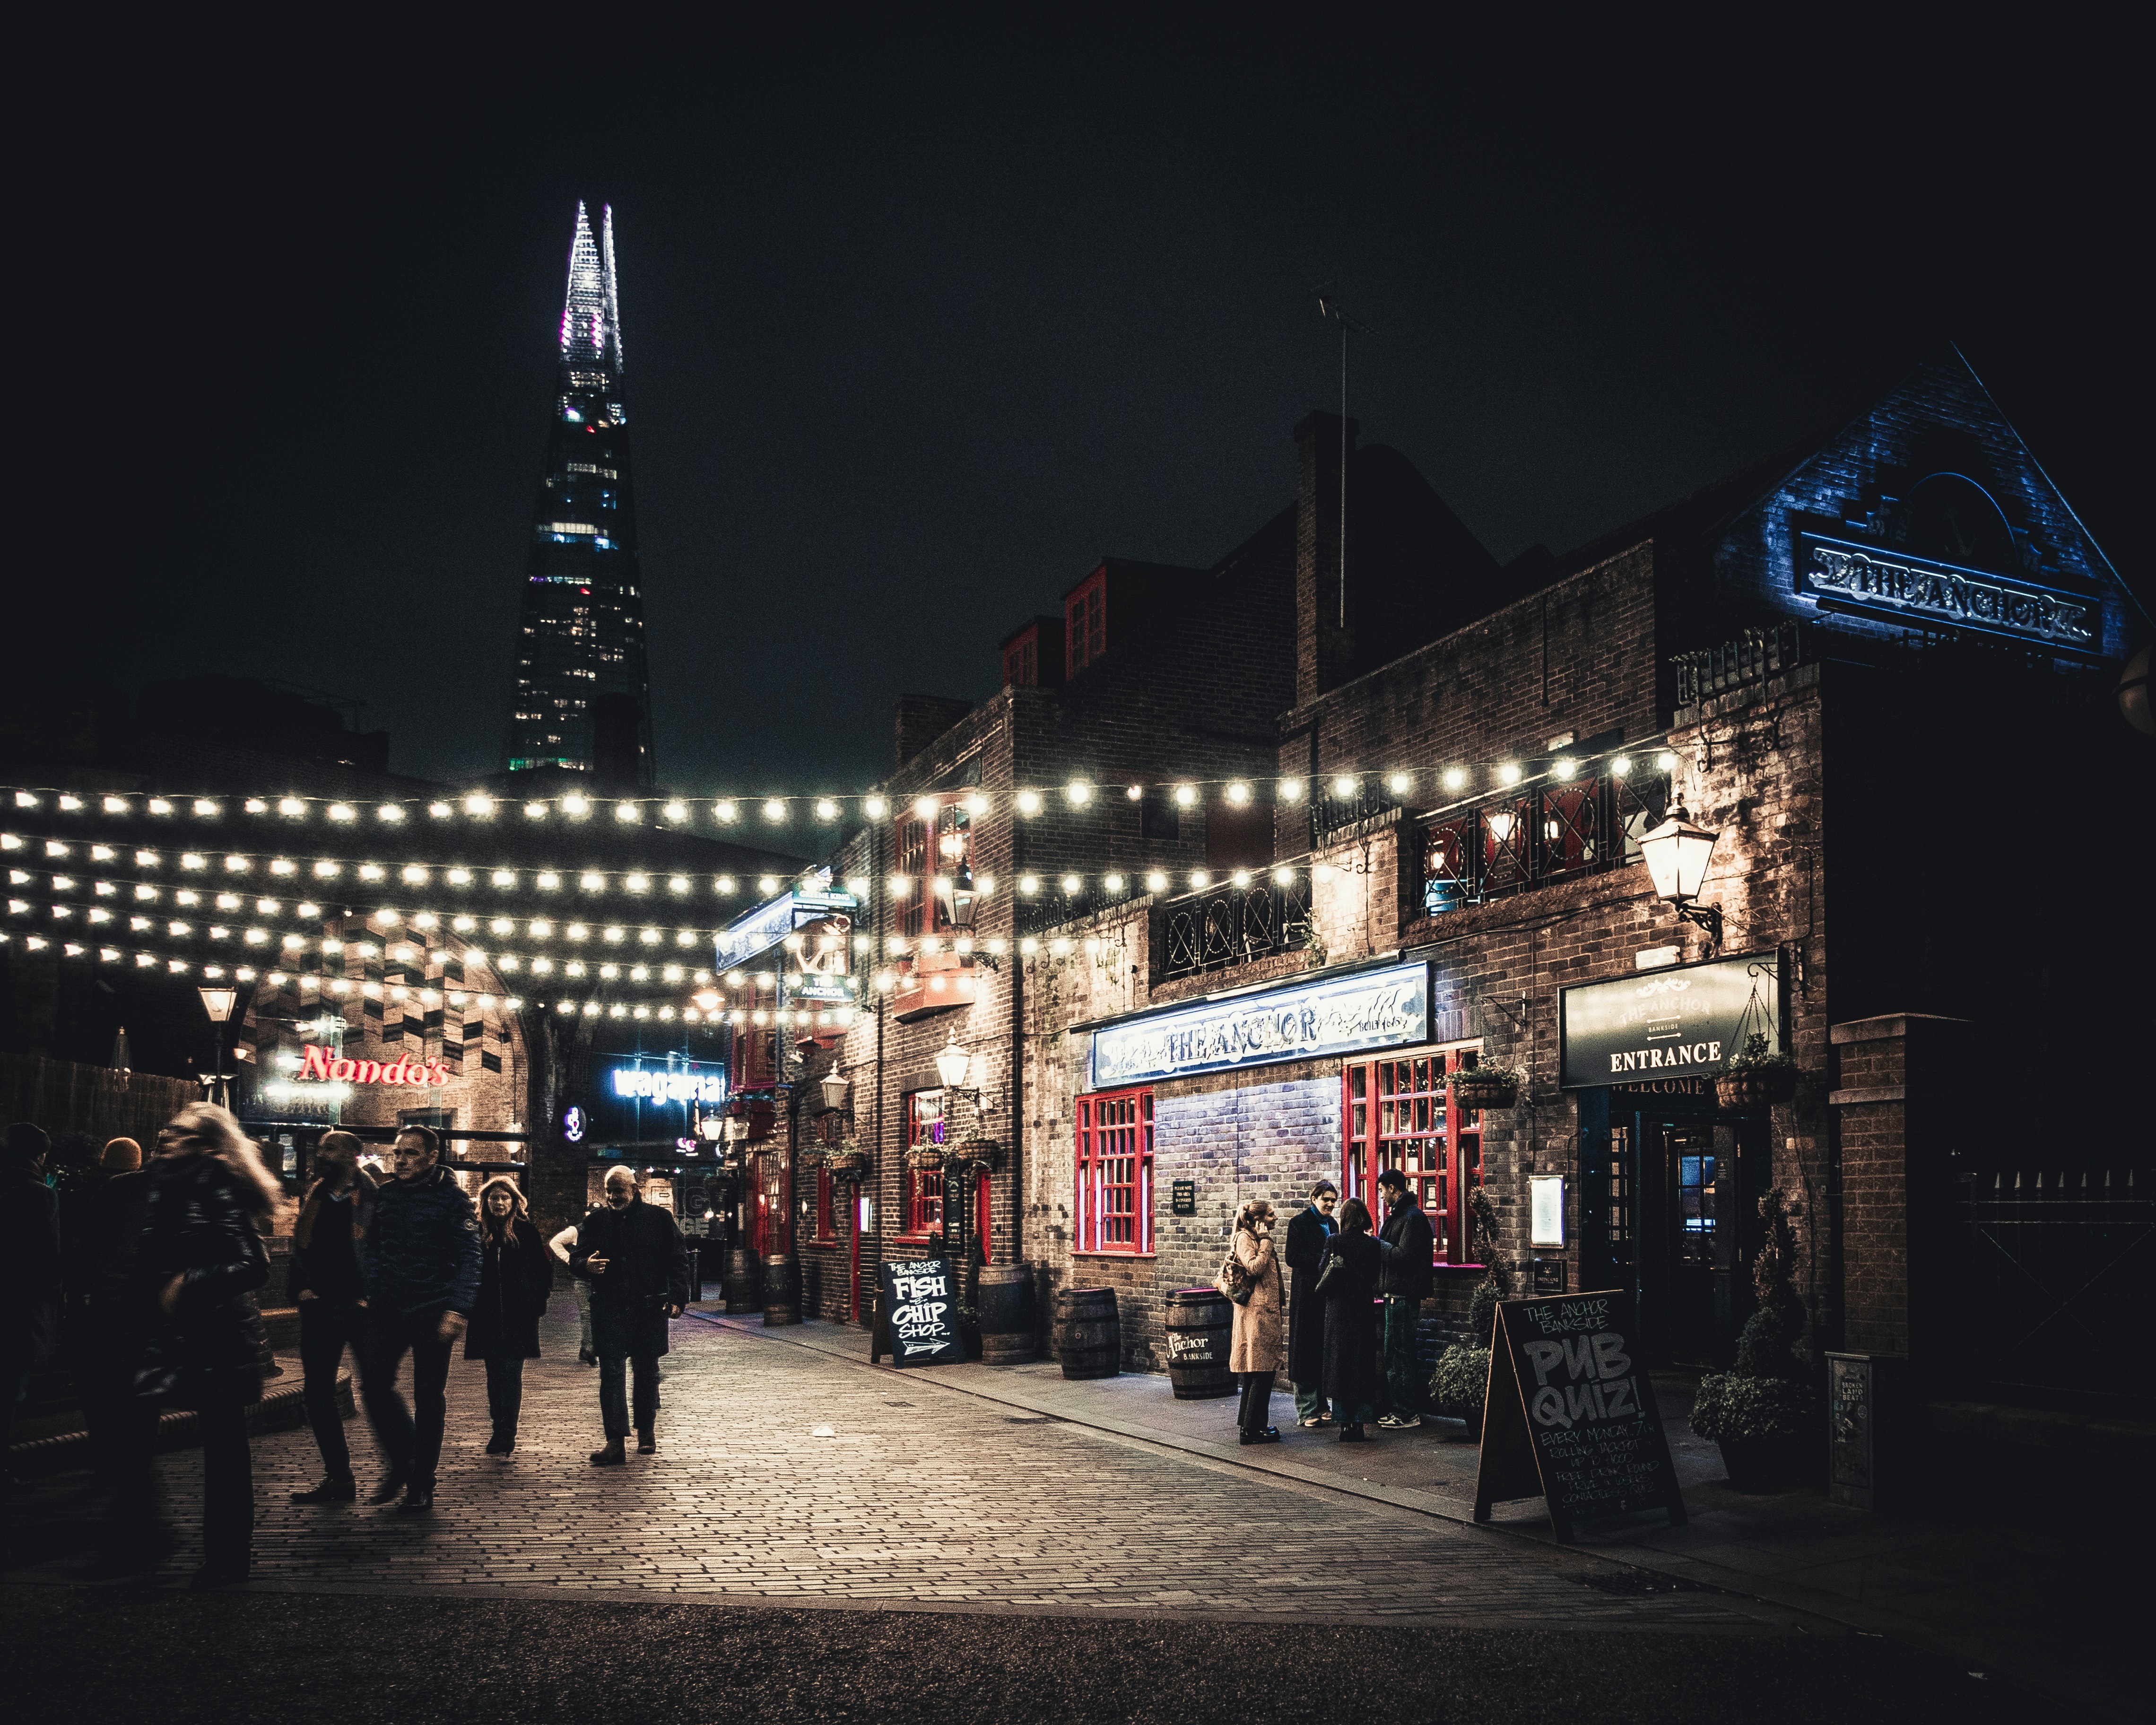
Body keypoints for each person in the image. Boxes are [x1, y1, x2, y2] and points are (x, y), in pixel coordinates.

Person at [126, 1103, 281, 1586]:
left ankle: (227, 1558)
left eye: (179, 1130)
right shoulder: (163, 1182)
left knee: (224, 1449)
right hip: (167, 1335)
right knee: (129, 1430)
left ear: (206, 1141)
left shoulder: (216, 1181)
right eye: (167, 1127)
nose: (166, 1135)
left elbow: (254, 1264)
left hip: (215, 1336)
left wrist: (187, 1285)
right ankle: (140, 1539)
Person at [359, 1125, 479, 1514]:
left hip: (434, 1311)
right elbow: (373, 1247)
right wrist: (374, 1287)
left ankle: (421, 1483)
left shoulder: (453, 1201)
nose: (401, 1161)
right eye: (397, 1154)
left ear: (431, 1157)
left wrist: (457, 1309)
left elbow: (470, 1259)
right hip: (389, 1308)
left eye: (411, 1154)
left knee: (429, 1399)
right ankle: (405, 1458)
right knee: (375, 1386)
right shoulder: (386, 1196)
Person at [571, 1166, 687, 1466]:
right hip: (608, 1308)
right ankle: (615, 1441)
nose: (611, 1197)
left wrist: (677, 1297)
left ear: (633, 1189)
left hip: (647, 1308)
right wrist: (586, 1266)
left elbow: (677, 1260)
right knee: (611, 1374)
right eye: (608, 1191)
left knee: (647, 1371)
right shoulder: (595, 1221)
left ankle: (646, 1431)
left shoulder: (659, 1219)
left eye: (618, 1191)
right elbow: (576, 1259)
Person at [287, 1131, 375, 1503]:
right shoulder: (319, 1191)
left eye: (331, 1148)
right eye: (322, 1148)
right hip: (320, 1307)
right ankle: (339, 1477)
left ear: (354, 1155)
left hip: (360, 1307)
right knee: (317, 1394)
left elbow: (380, 1247)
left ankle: (408, 1471)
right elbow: (300, 1243)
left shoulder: (373, 1195)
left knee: (379, 1390)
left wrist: (370, 1296)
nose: (323, 1154)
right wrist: (304, 1291)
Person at [68, 1138, 152, 1491]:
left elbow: (80, 1245)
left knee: (95, 1384)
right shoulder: (149, 1194)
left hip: (97, 1301)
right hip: (138, 1304)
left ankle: (106, 1460)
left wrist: (79, 1291)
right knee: (138, 1389)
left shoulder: (86, 1193)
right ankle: (137, 1464)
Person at [467, 1177, 551, 1455]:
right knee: (494, 1374)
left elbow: (543, 1272)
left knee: (511, 1373)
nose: (500, 1203)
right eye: (494, 1199)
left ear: (514, 1201)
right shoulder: (477, 1232)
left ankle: (506, 1432)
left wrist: (536, 1304)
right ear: (486, 1203)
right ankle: (497, 1425)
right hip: (487, 1317)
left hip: (519, 1318)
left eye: (505, 1198)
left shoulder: (526, 1232)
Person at [2, 1123, 62, 1460]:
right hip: (17, 1307)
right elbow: (46, 1258)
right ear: (41, 1155)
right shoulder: (40, 1194)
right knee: (10, 1391)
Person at [1374, 1167, 1436, 1430]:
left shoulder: (1411, 1218)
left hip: (1402, 1297)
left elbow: (1404, 1256)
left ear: (1392, 1188)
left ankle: (1407, 1413)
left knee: (1401, 1355)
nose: (1380, 1196)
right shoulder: (1404, 1215)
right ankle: (1400, 1409)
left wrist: (1377, 1244)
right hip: (1395, 1296)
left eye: (1381, 1191)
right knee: (1395, 1355)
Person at [1319, 1195, 1383, 1442]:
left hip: (1338, 1310)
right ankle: (1361, 1423)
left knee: (1340, 1365)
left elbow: (1321, 1272)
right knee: (1362, 1365)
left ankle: (1344, 1422)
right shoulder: (1373, 1245)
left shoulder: (1334, 1241)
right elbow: (1376, 1277)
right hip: (1363, 1310)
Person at [1227, 1199, 1285, 1445]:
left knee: (1259, 1370)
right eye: (1271, 1216)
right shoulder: (1246, 1239)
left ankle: (1251, 1424)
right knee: (1260, 1371)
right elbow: (1254, 1268)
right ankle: (1252, 1430)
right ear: (1258, 1221)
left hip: (1261, 1312)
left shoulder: (1253, 1238)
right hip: (1256, 1314)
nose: (1275, 1219)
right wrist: (1266, 1242)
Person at [1284, 1179, 1338, 1427]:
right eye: (1326, 1199)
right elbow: (1292, 1258)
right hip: (1306, 1296)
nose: (1330, 1204)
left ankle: (1322, 1405)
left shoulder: (1333, 1224)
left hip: (1326, 1295)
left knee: (1321, 1349)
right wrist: (1324, 1258)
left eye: (1333, 1200)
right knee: (1304, 1350)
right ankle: (1306, 1410)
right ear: (1314, 1198)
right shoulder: (1299, 1223)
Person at [550, 1220, 596, 1365]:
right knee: (587, 1313)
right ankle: (590, 1349)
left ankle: (585, 1347)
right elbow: (555, 1242)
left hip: (601, 1279)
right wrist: (570, 1260)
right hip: (582, 1278)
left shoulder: (608, 1229)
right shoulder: (577, 1230)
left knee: (596, 1313)